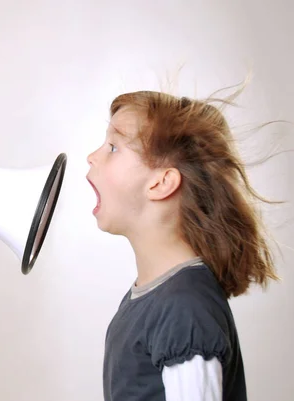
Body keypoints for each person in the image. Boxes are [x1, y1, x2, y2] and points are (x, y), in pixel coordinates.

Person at [86, 88, 279, 400]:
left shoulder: (183, 307)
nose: (92, 156)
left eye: (113, 147)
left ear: (161, 183)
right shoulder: (154, 298)